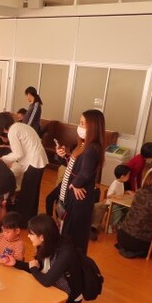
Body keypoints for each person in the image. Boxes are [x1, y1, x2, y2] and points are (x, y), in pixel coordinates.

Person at [4, 214, 84, 303]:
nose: (28, 236)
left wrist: (34, 269)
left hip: (69, 297)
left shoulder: (65, 253)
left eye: (31, 234)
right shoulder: (45, 244)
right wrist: (15, 263)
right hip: (53, 285)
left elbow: (46, 281)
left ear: (42, 237)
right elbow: (36, 267)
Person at [54, 109, 105, 255]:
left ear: (93, 127)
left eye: (83, 124)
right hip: (70, 195)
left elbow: (86, 172)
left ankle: (70, 264)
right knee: (67, 233)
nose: (80, 126)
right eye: (80, 123)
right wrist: (63, 156)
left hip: (77, 200)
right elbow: (73, 166)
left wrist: (75, 184)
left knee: (73, 237)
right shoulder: (83, 145)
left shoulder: (92, 148)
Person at [0, 112, 48, 227]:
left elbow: (18, 154)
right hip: (40, 161)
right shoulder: (21, 126)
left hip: (33, 162)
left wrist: (3, 159)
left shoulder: (12, 131)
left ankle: (24, 222)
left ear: (1, 126)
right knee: (33, 193)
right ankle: (32, 219)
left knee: (27, 193)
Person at [91, 164, 131, 238]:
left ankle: (119, 224)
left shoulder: (121, 183)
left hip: (118, 202)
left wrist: (126, 192)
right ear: (122, 177)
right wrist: (116, 196)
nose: (129, 177)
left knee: (126, 209)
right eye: (128, 175)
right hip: (110, 203)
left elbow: (120, 192)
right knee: (117, 210)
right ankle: (110, 224)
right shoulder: (115, 184)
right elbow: (109, 195)